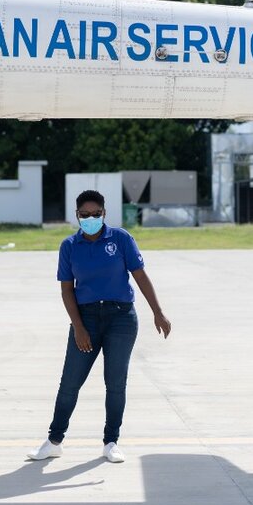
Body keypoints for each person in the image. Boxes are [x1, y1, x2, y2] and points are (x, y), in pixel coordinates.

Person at [27, 190, 171, 463]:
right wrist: (79, 327)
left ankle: (111, 441)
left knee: (115, 383)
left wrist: (158, 312)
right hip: (87, 319)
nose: (91, 218)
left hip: (121, 318)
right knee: (70, 382)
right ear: (77, 216)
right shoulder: (69, 246)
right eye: (85, 215)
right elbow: (67, 290)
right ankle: (54, 440)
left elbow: (140, 276)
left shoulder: (121, 239)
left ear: (104, 214)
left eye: (96, 214)